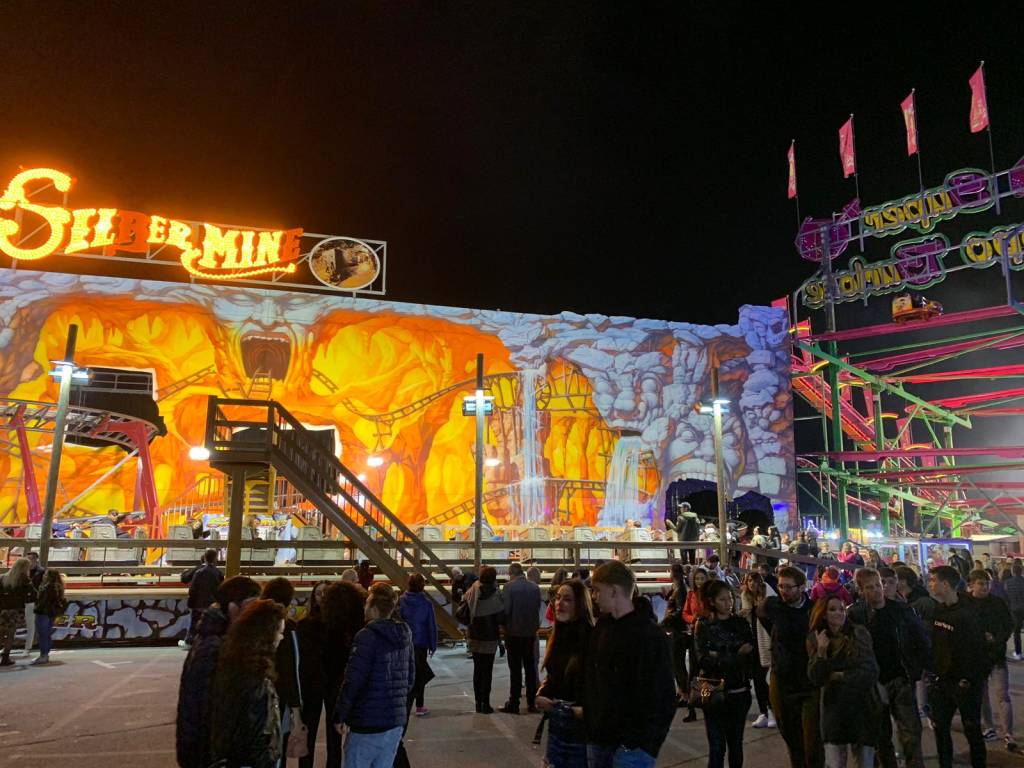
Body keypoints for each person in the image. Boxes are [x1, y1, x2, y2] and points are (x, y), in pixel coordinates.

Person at [582, 560, 676, 768]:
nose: (594, 596)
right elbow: (592, 679)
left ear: (614, 591)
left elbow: (664, 695)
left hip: (633, 747)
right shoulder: (602, 628)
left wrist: (644, 744)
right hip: (600, 738)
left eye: (597, 590)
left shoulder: (650, 635)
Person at [176, 575, 262, 768]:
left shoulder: (221, 642)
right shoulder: (215, 650)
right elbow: (212, 715)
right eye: (252, 606)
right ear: (232, 609)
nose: (257, 614)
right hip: (213, 756)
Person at [847, 568, 929, 768]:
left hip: (900, 679)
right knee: (881, 736)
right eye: (870, 587)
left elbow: (921, 641)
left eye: (879, 585)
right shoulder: (855, 615)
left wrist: (916, 670)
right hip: (873, 684)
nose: (876, 590)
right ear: (861, 590)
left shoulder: (901, 611)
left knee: (911, 734)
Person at [333, 583, 416, 767]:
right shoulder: (405, 633)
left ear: (375, 609)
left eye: (367, 605)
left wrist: (341, 714)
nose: (364, 608)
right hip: (394, 721)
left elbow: (353, 680)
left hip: (367, 721)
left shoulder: (366, 636)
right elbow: (410, 678)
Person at [208, 599, 288, 768]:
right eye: (279, 632)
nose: (282, 637)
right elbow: (257, 732)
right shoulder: (256, 679)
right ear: (266, 635)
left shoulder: (234, 664)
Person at [757, 565, 822, 768]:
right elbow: (762, 616)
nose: (784, 591)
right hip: (783, 680)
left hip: (809, 682)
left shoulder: (814, 610)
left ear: (802, 587)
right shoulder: (773, 606)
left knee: (812, 740)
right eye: (781, 586)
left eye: (789, 587)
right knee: (792, 738)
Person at [925, 565, 990, 768]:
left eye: (933, 580)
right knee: (941, 730)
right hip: (943, 682)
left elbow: (978, 651)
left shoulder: (967, 613)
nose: (930, 584)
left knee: (972, 730)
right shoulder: (938, 610)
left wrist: (969, 679)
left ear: (945, 584)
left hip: (965, 684)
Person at [807, 595, 881, 768]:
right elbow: (815, 678)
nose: (839, 613)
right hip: (834, 709)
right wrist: (821, 653)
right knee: (834, 762)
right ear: (823, 614)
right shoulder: (817, 638)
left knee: (864, 761)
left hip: (861, 705)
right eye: (833, 609)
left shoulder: (858, 633)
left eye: (842, 609)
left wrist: (840, 676)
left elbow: (870, 671)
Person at [298, 580, 365, 768]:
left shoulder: (339, 626)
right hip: (313, 685)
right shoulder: (306, 625)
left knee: (334, 733)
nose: (321, 597)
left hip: (333, 684)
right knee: (309, 730)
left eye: (325, 594)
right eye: (318, 593)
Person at [693, 579, 755, 768]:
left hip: (739, 690)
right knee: (716, 746)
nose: (728, 603)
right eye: (723, 599)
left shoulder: (741, 623)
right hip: (709, 689)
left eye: (730, 598)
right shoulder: (702, 625)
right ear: (711, 601)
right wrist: (735, 653)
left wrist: (719, 655)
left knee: (735, 744)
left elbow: (750, 653)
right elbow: (702, 659)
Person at [535, 578, 595, 768]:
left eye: (567, 599)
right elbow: (555, 676)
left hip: (581, 730)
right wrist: (543, 693)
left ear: (580, 604)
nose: (559, 603)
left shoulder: (591, 638)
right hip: (557, 724)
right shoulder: (558, 634)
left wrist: (585, 708)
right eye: (558, 598)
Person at [966, 569, 1018, 752]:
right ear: (971, 585)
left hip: (997, 656)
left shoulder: (997, 603)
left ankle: (1008, 733)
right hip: (977, 658)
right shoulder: (966, 604)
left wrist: (997, 638)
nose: (984, 587)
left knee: (1003, 695)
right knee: (982, 696)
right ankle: (989, 727)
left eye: (986, 583)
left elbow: (1009, 625)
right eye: (980, 583)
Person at [261, 577, 304, 762]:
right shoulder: (289, 629)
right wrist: (297, 709)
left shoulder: (252, 625)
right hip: (279, 700)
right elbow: (291, 671)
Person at [460, 564, 504, 713]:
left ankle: (478, 703)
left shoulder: (472, 590)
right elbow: (500, 617)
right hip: (490, 637)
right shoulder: (495, 594)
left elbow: (463, 605)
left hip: (474, 635)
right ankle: (486, 703)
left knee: (477, 670)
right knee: (487, 671)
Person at [500, 561, 541, 714]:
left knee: (515, 669)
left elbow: (507, 610)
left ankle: (514, 702)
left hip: (514, 633)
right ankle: (531, 703)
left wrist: (503, 627)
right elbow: (537, 608)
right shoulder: (534, 587)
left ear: (511, 573)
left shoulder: (509, 587)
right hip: (530, 633)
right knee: (530, 668)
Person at [739, 572, 776, 729]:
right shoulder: (745, 597)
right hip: (753, 643)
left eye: (755, 581)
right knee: (758, 680)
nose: (752, 584)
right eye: (749, 581)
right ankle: (764, 712)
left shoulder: (769, 595)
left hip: (767, 642)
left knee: (769, 679)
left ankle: (773, 711)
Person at [398, 572, 437, 717]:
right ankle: (419, 705)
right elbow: (431, 625)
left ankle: (404, 701)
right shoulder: (426, 603)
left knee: (406, 672)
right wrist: (433, 644)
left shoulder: (401, 600)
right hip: (421, 642)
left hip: (405, 641)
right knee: (421, 674)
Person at [682, 567, 711, 722]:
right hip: (694, 635)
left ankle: (708, 704)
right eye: (697, 579)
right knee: (693, 673)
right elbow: (685, 613)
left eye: (702, 578)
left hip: (708, 636)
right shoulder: (690, 594)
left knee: (707, 673)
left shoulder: (711, 594)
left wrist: (705, 618)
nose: (699, 581)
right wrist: (693, 620)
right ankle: (691, 708)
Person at [179, 548, 223, 649]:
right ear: (215, 559)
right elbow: (220, 589)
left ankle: (189, 642)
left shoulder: (198, 570)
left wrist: (191, 601)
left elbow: (189, 585)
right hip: (211, 604)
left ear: (204, 558)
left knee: (194, 622)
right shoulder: (218, 573)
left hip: (197, 603)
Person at [661, 563, 690, 710]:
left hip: (677, 630)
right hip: (674, 629)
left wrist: (667, 620)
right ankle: (681, 691)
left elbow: (679, 610)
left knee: (678, 663)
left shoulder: (680, 589)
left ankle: (685, 694)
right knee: (676, 663)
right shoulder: (677, 587)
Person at [0, 557, 34, 666]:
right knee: (10, 635)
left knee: (0, 633)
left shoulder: (3, 577)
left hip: (2, 610)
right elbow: (33, 594)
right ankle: (5, 658)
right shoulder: (23, 580)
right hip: (15, 610)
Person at [31, 568, 66, 666]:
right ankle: (45, 654)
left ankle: (44, 655)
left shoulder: (48, 587)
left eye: (46, 574)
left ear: (50, 576)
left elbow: (43, 602)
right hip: (51, 613)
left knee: (42, 634)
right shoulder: (58, 586)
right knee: (47, 634)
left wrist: (37, 608)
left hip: (43, 613)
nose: (43, 576)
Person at [22, 550, 45, 653]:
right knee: (13, 625)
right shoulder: (22, 570)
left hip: (32, 600)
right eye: (27, 559)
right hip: (21, 600)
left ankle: (28, 647)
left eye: (31, 559)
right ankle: (7, 647)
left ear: (36, 560)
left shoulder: (41, 571)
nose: (29, 561)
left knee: (30, 625)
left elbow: (42, 587)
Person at [1004, 562, 1024, 661]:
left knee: (1016, 632)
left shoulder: (1008, 582)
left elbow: (1006, 596)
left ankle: (1018, 652)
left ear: (1012, 572)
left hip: (1014, 609)